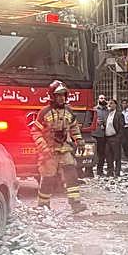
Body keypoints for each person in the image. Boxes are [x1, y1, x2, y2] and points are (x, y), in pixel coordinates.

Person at [30, 80, 88, 213]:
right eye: (58, 95)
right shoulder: (44, 112)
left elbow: (74, 127)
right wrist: (43, 148)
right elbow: (35, 131)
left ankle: (75, 203)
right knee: (48, 178)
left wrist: (79, 140)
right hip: (49, 150)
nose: (62, 98)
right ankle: (43, 205)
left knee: (71, 173)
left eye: (63, 95)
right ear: (52, 96)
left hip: (64, 148)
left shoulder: (68, 111)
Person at [104, 98, 125, 177]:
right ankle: (110, 172)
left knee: (117, 156)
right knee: (108, 156)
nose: (109, 105)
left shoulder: (119, 114)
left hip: (115, 138)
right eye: (108, 103)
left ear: (115, 105)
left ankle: (117, 172)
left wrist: (118, 138)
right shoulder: (107, 114)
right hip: (107, 138)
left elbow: (122, 128)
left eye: (111, 103)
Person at [93, 95, 113, 177]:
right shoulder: (94, 110)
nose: (103, 99)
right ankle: (89, 170)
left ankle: (100, 170)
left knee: (103, 154)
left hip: (105, 134)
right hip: (95, 134)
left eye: (104, 98)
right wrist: (96, 121)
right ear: (98, 99)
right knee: (94, 153)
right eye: (101, 98)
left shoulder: (108, 111)